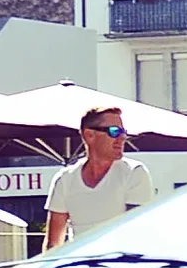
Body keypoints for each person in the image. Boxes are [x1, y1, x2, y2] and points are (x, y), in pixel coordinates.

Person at [43, 106, 155, 248]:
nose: (122, 138)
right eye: (114, 132)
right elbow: (53, 244)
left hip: (120, 264)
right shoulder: (64, 179)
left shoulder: (134, 172)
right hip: (80, 265)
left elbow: (135, 233)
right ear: (89, 135)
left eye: (123, 132)